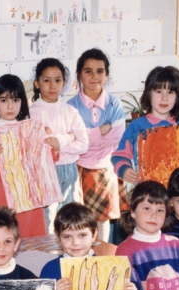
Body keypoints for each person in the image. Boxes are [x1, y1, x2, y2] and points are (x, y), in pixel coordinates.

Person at [0, 74, 52, 249]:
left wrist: (51, 144)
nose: (10, 106)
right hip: (0, 192)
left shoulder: (29, 127)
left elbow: (45, 162)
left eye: (15, 100)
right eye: (4, 100)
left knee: (31, 241)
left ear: (22, 103)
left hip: (28, 193)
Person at [112, 66, 179, 190]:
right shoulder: (136, 126)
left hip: (176, 195)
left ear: (177, 97)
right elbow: (119, 155)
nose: (164, 98)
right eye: (159, 91)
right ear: (149, 94)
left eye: (170, 92)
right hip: (148, 195)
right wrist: (125, 169)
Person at [67, 49, 126, 242]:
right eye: (88, 71)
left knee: (103, 223)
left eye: (100, 71)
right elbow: (75, 144)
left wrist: (85, 137)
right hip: (78, 168)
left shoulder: (114, 104)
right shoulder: (70, 106)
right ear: (79, 75)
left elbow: (116, 138)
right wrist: (101, 130)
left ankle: (103, 261)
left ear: (106, 75)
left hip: (105, 167)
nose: (94, 76)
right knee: (80, 221)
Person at [29, 57, 89, 229]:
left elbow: (84, 144)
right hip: (45, 170)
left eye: (57, 80)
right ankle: (49, 255)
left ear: (64, 83)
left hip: (70, 169)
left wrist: (60, 141)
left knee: (72, 216)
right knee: (48, 218)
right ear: (37, 83)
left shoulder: (70, 111)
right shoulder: (32, 112)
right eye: (46, 80)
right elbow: (42, 146)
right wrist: (70, 136)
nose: (52, 85)